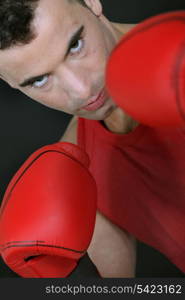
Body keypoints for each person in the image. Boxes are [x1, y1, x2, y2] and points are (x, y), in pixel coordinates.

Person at [0, 0, 184, 277]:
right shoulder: (78, 175)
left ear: (92, 3)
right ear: (8, 81)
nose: (82, 90)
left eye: (75, 45)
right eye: (39, 81)